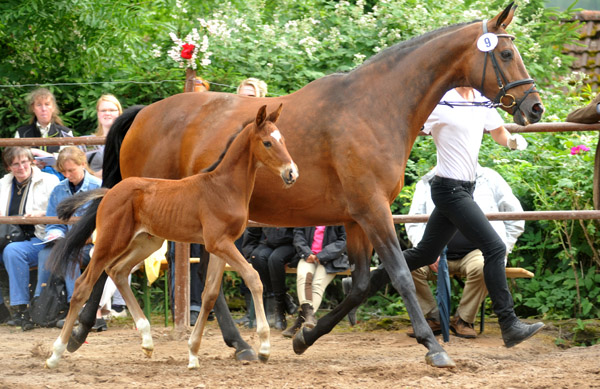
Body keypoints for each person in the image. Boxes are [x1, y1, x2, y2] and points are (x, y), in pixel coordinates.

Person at [349, 87, 543, 348]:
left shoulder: (482, 100)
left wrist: (510, 141)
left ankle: (359, 284)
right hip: (448, 188)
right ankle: (509, 324)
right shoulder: (440, 101)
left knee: (425, 254)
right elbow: (406, 126)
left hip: (465, 188)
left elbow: (497, 130)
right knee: (495, 247)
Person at [404, 165, 524, 338]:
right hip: (435, 251)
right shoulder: (427, 182)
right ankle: (432, 317)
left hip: (475, 251)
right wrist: (427, 251)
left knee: (485, 265)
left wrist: (502, 248)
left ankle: (464, 319)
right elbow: (413, 221)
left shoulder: (490, 178)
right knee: (406, 266)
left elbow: (515, 216)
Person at [33, 147, 102, 329]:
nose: (67, 175)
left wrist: (89, 236)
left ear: (83, 164)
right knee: (44, 255)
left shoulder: (98, 187)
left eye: (71, 170)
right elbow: (53, 221)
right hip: (68, 241)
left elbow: (107, 222)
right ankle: (42, 307)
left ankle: (77, 306)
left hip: (93, 243)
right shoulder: (59, 190)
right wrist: (56, 234)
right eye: (63, 171)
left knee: (70, 255)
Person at [0, 147, 59, 329]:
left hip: (39, 237)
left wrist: (43, 214)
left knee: (13, 252)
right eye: (15, 164)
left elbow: (61, 210)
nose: (21, 167)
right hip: (7, 236)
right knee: (11, 249)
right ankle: (2, 308)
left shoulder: (49, 181)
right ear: (8, 167)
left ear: (32, 161)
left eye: (24, 161)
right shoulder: (3, 184)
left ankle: (21, 308)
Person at [282, 225, 349, 338]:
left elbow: (344, 240)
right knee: (303, 278)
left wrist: (323, 255)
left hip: (331, 259)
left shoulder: (338, 215)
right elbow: (298, 235)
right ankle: (309, 315)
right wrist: (307, 253)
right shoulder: (307, 214)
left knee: (318, 284)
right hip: (308, 256)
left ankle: (300, 322)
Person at [242, 227, 299, 330]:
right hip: (268, 244)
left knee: (275, 259)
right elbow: (251, 231)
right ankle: (284, 298)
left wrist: (297, 256)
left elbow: (300, 232)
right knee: (257, 256)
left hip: (289, 244)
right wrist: (250, 254)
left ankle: (280, 310)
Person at [15, 88, 75, 179]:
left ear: (53, 107)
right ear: (33, 108)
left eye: (47, 104)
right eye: (39, 105)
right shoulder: (21, 133)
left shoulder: (65, 132)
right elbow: (15, 158)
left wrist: (37, 152)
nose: (43, 109)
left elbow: (70, 160)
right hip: (30, 178)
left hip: (59, 179)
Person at [86, 94, 123, 178]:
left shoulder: (126, 140)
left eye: (112, 110)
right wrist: (94, 176)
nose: (107, 113)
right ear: (98, 114)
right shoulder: (86, 141)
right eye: (103, 110)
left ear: (119, 113)